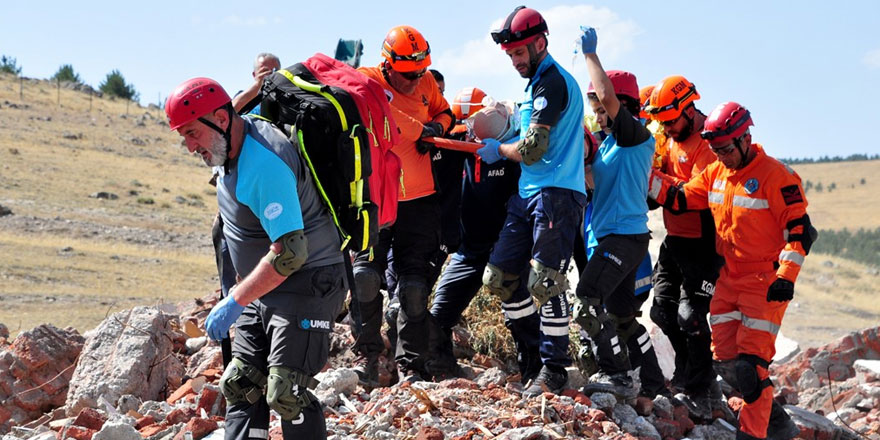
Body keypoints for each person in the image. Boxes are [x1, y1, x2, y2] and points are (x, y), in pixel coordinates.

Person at [166, 77, 346, 439]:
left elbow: (291, 254)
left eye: (191, 134)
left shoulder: (264, 163)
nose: (189, 147)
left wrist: (234, 301)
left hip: (307, 281)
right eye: (183, 136)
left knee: (286, 392)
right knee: (242, 384)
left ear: (219, 119)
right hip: (259, 290)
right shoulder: (227, 143)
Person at [648, 101, 812, 440]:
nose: (720, 156)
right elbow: (679, 197)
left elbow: (801, 231)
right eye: (715, 150)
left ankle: (751, 435)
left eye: (725, 149)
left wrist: (786, 277)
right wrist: (641, 174)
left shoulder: (776, 176)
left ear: (745, 138)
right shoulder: (715, 172)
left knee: (750, 368)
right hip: (727, 280)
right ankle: (779, 425)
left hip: (764, 284)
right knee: (725, 365)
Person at [479, 6, 587, 397]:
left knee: (546, 282)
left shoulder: (552, 83)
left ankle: (555, 368)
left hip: (557, 194)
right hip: (530, 194)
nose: (515, 61)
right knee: (500, 278)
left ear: (540, 43)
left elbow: (533, 148)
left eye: (519, 53)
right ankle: (532, 355)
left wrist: (500, 149)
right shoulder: (536, 84)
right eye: (510, 55)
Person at [351, 25, 455, 386]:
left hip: (420, 199)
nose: (415, 81)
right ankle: (367, 356)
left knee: (414, 287)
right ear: (387, 63)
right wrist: (420, 130)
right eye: (408, 75)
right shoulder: (366, 79)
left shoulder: (425, 82)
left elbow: (446, 113)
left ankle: (412, 365)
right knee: (365, 278)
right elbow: (377, 112)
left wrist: (437, 129)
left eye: (421, 72)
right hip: (378, 196)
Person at [429, 97, 543, 382]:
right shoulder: (463, 149)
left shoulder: (512, 154)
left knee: (517, 309)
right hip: (469, 251)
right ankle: (442, 370)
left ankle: (535, 367)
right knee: (437, 314)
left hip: (507, 252)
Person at [571, 27, 655, 400]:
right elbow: (590, 182)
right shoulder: (608, 148)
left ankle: (616, 375)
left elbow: (606, 92)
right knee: (622, 317)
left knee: (587, 299)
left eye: (600, 108)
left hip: (624, 236)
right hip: (614, 237)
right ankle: (652, 384)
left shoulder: (634, 137)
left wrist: (590, 55)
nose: (597, 115)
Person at [644, 75, 724, 415]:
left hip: (705, 246)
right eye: (661, 123)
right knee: (661, 311)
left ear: (689, 108)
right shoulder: (669, 135)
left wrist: (653, 180)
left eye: (671, 121)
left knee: (691, 317)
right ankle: (687, 373)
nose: (667, 129)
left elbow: (690, 197)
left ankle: (702, 388)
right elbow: (658, 191)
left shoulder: (709, 145)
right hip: (675, 240)